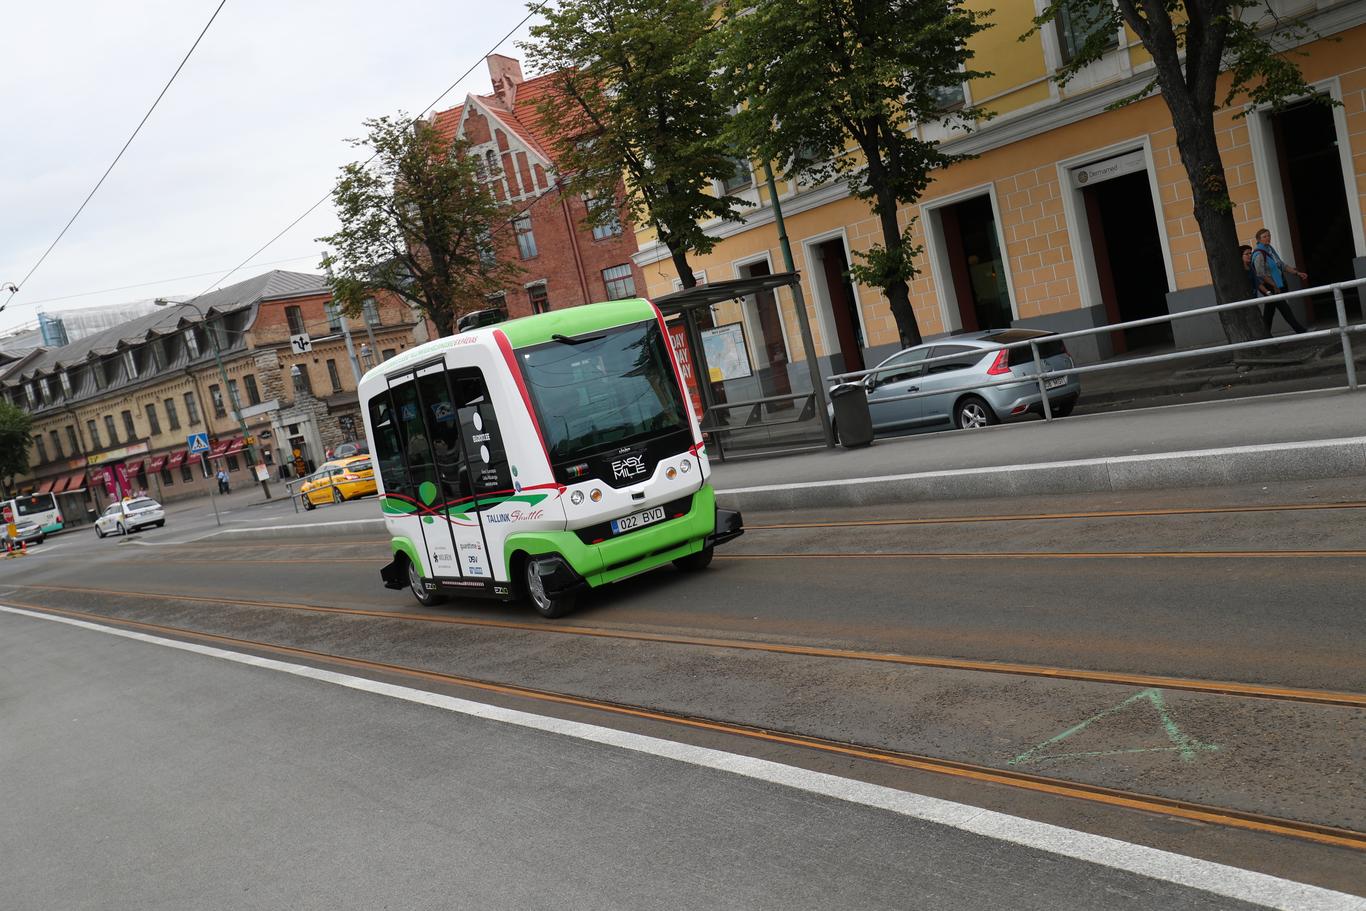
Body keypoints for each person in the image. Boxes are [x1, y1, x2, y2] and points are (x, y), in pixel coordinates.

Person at [1251, 228, 1307, 334]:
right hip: (1269, 286)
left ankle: (1264, 335)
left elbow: (1281, 265)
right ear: (1258, 239)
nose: (1268, 238)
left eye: (1269, 235)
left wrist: (1297, 273)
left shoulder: (1270, 249)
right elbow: (1260, 274)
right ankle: (1301, 331)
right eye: (1265, 236)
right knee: (1284, 309)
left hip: (1278, 284)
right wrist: (1273, 285)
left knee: (1269, 311)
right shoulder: (1258, 254)